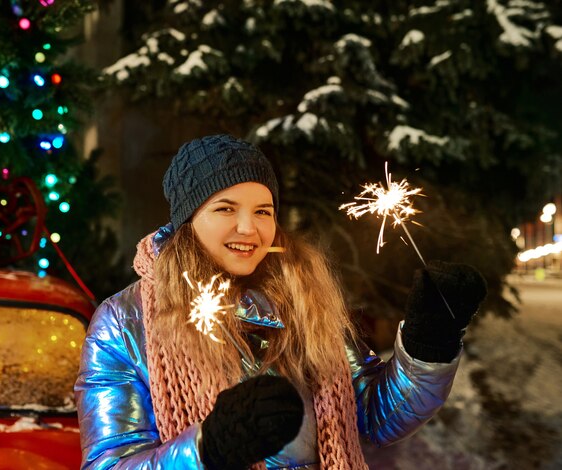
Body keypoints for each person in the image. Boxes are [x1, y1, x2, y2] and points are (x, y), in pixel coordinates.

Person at [75, 134, 487, 469]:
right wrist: (207, 449)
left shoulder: (305, 299)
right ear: (188, 219)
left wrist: (427, 344)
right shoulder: (124, 322)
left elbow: (372, 416)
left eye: (263, 211)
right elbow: (110, 465)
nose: (248, 228)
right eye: (225, 208)